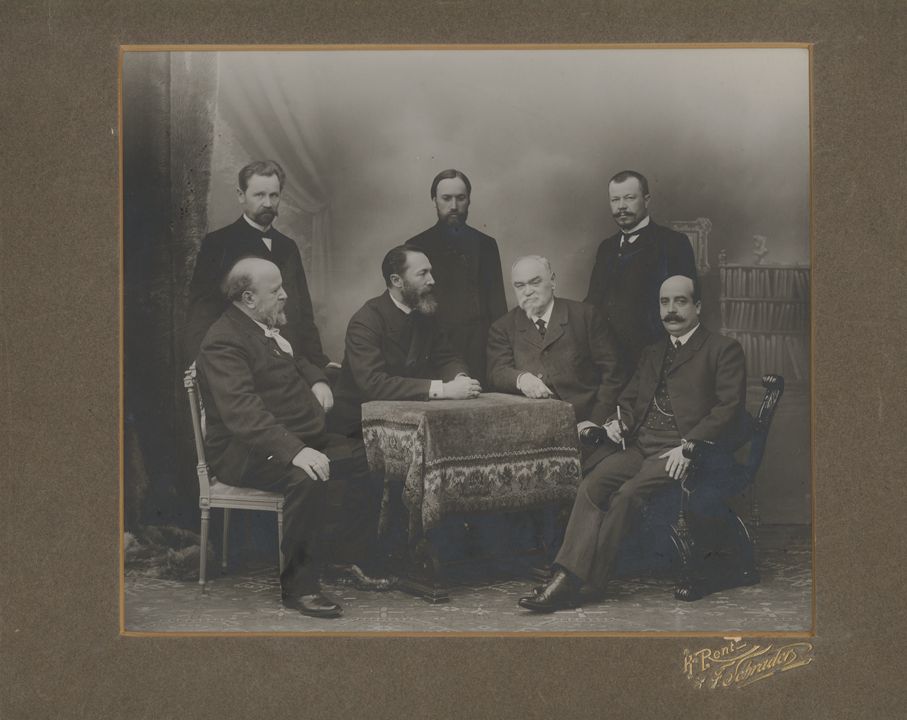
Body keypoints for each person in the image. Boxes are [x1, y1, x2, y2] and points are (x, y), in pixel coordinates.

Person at [519, 275, 748, 612]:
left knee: (627, 494)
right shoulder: (653, 352)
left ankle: (587, 583)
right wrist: (618, 422)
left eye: (680, 301)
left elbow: (729, 408)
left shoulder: (723, 349)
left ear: (698, 306)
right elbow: (629, 399)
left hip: (681, 451)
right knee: (591, 485)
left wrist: (691, 444)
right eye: (664, 302)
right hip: (641, 447)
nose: (671, 310)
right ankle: (565, 576)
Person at [196, 258, 388, 620]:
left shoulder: (261, 327)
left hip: (294, 438)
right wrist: (296, 451)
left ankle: (343, 557)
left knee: (372, 458)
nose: (286, 295)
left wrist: (317, 379)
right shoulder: (223, 341)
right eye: (276, 290)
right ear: (249, 298)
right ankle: (300, 588)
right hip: (244, 452)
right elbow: (243, 413)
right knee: (307, 476)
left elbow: (295, 360)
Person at [186, 161, 333, 411]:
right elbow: (202, 313)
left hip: (292, 366)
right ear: (241, 195)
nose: (268, 203)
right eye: (259, 195)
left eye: (274, 195)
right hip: (246, 367)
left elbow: (303, 313)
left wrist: (318, 365)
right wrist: (200, 362)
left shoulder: (288, 246)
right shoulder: (218, 244)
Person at [486, 255, 626, 468]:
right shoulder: (503, 327)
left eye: (535, 282)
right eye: (520, 285)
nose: (528, 291)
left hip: (586, 427)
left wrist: (595, 422)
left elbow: (613, 374)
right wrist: (521, 379)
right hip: (532, 433)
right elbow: (497, 371)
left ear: (552, 280)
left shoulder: (585, 316)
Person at [330, 246, 482, 437]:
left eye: (430, 272)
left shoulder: (424, 315)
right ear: (396, 281)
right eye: (422, 273)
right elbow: (374, 384)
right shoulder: (366, 321)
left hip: (410, 417)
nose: (432, 280)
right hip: (360, 426)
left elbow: (447, 357)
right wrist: (444, 389)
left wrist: (460, 378)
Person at [584, 170, 698, 374]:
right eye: (615, 200)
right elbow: (593, 302)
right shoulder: (606, 248)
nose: (621, 206)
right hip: (607, 361)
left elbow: (685, 307)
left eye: (629, 198)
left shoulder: (673, 243)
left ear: (646, 200)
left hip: (655, 359)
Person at [406, 169, 508, 384]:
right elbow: (410, 305)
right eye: (446, 198)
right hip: (433, 348)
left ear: (469, 200)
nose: (454, 206)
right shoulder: (416, 246)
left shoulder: (486, 245)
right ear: (434, 200)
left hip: (479, 349)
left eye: (460, 198)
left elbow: (498, 306)